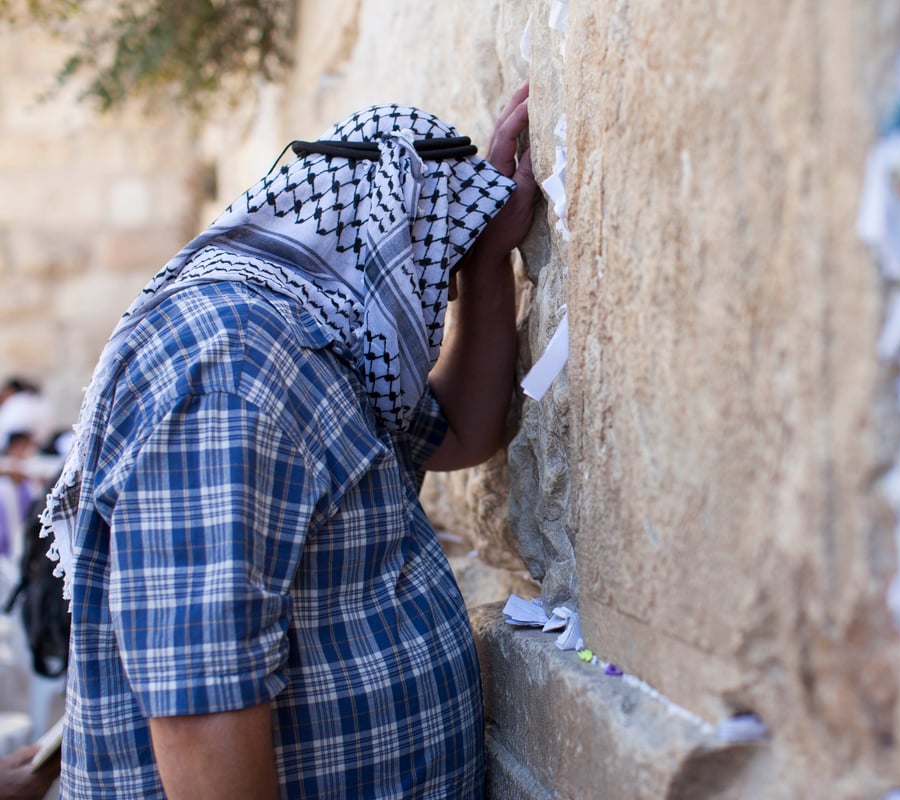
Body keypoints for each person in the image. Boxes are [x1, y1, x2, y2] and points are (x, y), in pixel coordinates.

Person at [43, 83, 535, 799]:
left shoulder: (322, 345)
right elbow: (201, 702)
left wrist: (484, 263)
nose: (441, 297)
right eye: (436, 270)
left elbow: (462, 431)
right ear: (386, 234)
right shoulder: (230, 366)